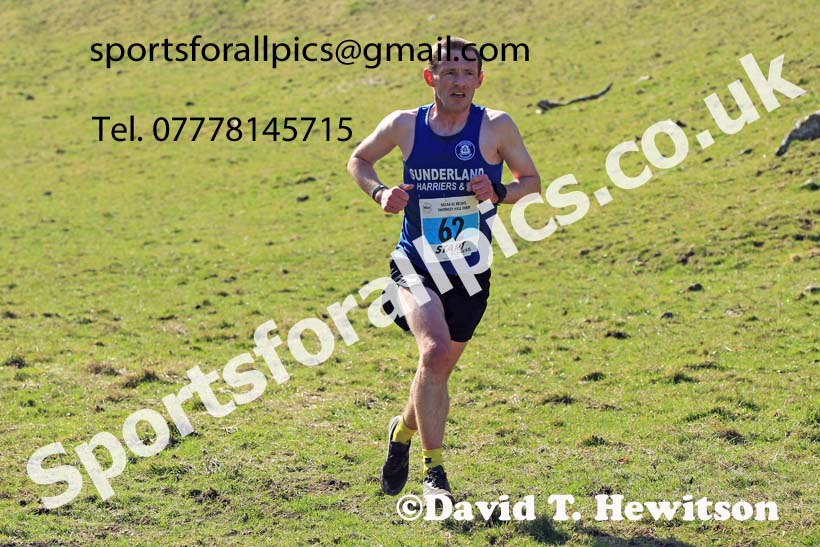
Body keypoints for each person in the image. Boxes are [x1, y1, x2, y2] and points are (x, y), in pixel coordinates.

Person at [347, 36, 541, 501]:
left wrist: (498, 191)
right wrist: (379, 193)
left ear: (479, 79)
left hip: (471, 272)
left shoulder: (496, 127)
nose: (459, 82)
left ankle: (401, 434)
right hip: (414, 262)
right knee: (432, 354)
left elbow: (531, 182)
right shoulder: (404, 125)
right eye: (449, 73)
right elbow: (359, 159)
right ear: (430, 78)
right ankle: (437, 477)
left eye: (467, 73)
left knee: (435, 372)